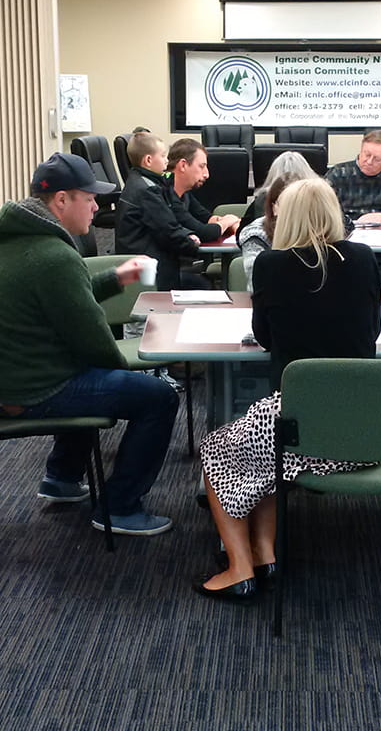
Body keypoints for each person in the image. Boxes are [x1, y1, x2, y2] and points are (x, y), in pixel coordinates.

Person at [194, 178, 381, 602]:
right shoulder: (365, 257)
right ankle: (265, 553)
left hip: (301, 424)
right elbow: (373, 331)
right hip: (368, 426)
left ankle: (238, 567)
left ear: (286, 216)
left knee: (218, 448)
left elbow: (263, 335)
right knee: (261, 451)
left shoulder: (272, 265)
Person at [0, 153, 178, 535]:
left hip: (14, 379)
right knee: (158, 397)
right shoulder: (54, 256)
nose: (98, 207)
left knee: (87, 372)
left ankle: (62, 478)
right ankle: (120, 508)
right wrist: (131, 372)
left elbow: (62, 298)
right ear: (61, 200)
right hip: (32, 389)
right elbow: (95, 341)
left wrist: (115, 278)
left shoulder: (19, 243)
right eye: (90, 198)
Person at [115, 131, 203, 290]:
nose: (167, 160)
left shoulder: (139, 182)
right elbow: (168, 231)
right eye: (163, 156)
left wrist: (186, 233)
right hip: (151, 273)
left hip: (143, 262)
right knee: (203, 285)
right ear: (148, 160)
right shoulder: (148, 191)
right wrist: (192, 245)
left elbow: (166, 222)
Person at [237, 150, 318, 291]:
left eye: (300, 204)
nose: (295, 211)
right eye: (288, 204)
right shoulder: (256, 236)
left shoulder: (321, 227)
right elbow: (257, 288)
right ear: (274, 207)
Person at [325, 129, 381, 226]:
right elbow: (321, 206)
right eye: (367, 155)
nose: (369, 162)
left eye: (377, 159)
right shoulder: (338, 173)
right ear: (360, 150)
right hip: (346, 227)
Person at [166, 138, 241, 243]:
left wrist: (232, 223)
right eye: (201, 166)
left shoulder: (185, 193)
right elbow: (203, 233)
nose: (207, 174)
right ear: (183, 165)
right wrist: (228, 221)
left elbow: (206, 218)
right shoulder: (165, 195)